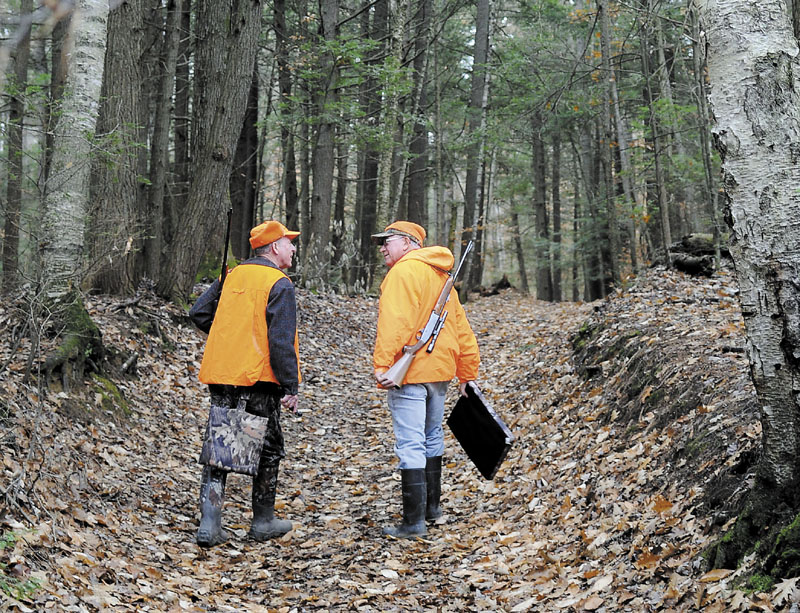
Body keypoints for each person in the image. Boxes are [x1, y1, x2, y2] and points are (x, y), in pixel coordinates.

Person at [188, 220, 301, 547]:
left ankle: (209, 524)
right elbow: (281, 343)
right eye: (289, 243)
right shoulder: (279, 283)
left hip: (223, 376)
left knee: (219, 445)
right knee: (270, 448)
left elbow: (199, 313)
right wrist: (291, 387)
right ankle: (263, 520)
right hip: (258, 380)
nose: (293, 248)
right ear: (274, 248)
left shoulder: (232, 275)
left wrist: (231, 337)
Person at [372, 221, 480, 538]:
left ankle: (413, 522)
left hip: (412, 372)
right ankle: (432, 509)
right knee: (431, 436)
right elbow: (462, 330)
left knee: (410, 442)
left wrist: (382, 364)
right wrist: (467, 372)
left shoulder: (403, 273)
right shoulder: (440, 275)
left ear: (407, 243)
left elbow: (396, 323)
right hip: (439, 372)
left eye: (387, 241)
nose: (382, 247)